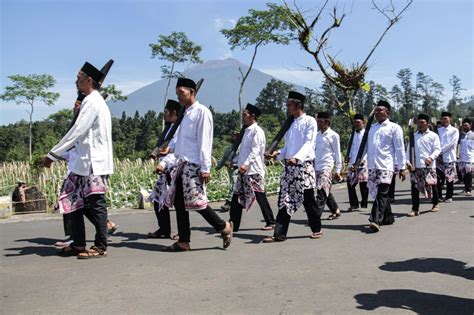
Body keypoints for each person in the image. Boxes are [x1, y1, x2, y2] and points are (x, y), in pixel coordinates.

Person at [43, 61, 113, 258]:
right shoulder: (92, 101)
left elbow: (77, 132)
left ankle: (100, 246)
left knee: (96, 203)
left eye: (78, 78)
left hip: (93, 163)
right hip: (82, 163)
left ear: (88, 80)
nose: (76, 82)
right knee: (71, 199)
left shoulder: (93, 102)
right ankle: (79, 243)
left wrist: (53, 154)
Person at [162, 78, 233, 252]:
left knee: (197, 202)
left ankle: (223, 226)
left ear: (192, 92)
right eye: (177, 93)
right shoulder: (184, 114)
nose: (179, 96)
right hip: (181, 164)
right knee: (179, 203)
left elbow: (204, 142)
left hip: (194, 165)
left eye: (182, 93)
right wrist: (169, 151)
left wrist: (205, 168)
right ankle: (184, 241)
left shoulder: (202, 112)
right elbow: (182, 142)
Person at [263, 91, 322, 242]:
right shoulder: (289, 123)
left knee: (308, 199)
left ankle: (316, 228)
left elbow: (309, 143)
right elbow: (288, 148)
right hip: (290, 168)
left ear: (298, 105)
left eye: (289, 104)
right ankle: (279, 234)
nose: (287, 107)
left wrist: (297, 157)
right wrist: (277, 154)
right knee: (284, 198)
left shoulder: (310, 121)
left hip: (304, 166)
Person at [228, 103, 275, 232]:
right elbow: (244, 151)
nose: (243, 117)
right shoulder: (246, 131)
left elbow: (255, 150)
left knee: (260, 196)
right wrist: (236, 161)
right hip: (244, 170)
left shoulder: (257, 131)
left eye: (245, 114)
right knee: (237, 196)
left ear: (252, 116)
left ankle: (270, 221)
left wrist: (246, 164)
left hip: (254, 170)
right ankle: (233, 224)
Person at [366, 100, 406, 232]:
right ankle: (388, 217)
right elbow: (367, 148)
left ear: (387, 112)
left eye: (380, 110)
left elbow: (400, 148)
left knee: (382, 192)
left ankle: (375, 220)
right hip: (373, 165)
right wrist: (359, 161)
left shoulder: (394, 128)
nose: (377, 112)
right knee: (379, 193)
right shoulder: (372, 129)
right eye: (376, 110)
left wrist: (402, 167)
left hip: (386, 165)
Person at [147, 99, 181, 239]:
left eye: (166, 112)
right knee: (158, 199)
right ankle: (164, 229)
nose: (164, 115)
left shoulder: (179, 129)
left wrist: (166, 157)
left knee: (180, 204)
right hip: (165, 169)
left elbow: (177, 151)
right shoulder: (169, 128)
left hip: (175, 168)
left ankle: (183, 232)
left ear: (174, 113)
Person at [406, 114, 441, 216]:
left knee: (432, 185)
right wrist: (408, 162)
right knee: (414, 188)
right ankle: (415, 209)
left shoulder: (433, 136)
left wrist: (431, 157)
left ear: (427, 123)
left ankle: (435, 203)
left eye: (423, 122)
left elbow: (437, 149)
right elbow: (408, 150)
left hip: (429, 165)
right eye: (419, 122)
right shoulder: (413, 136)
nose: (420, 124)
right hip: (415, 165)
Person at [314, 112, 343, 220]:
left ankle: (315, 217)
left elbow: (337, 153)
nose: (319, 123)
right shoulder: (316, 136)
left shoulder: (333, 135)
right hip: (317, 166)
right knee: (325, 190)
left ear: (327, 122)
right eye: (318, 121)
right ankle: (335, 209)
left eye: (321, 121)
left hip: (327, 166)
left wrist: (338, 170)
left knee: (321, 191)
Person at [346, 113, 369, 212]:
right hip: (353, 162)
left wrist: (365, 159)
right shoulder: (353, 134)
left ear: (363, 122)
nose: (356, 124)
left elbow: (369, 148)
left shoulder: (367, 134)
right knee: (350, 183)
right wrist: (348, 157)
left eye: (358, 122)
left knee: (363, 184)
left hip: (363, 162)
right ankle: (354, 204)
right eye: (354, 122)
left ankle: (364, 203)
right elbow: (352, 147)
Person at [436, 112, 459, 203]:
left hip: (449, 157)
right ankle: (439, 196)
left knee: (449, 179)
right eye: (442, 119)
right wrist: (437, 153)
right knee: (438, 179)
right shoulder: (438, 130)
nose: (444, 120)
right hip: (438, 159)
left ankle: (449, 196)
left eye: (446, 118)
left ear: (450, 119)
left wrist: (440, 151)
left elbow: (452, 144)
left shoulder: (454, 130)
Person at [216, 131, 239, 212]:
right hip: (231, 169)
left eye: (235, 136)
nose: (233, 137)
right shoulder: (230, 147)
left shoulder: (241, 147)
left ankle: (228, 203)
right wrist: (218, 167)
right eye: (232, 136)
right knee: (236, 186)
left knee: (234, 185)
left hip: (238, 168)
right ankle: (237, 203)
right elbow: (224, 158)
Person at [459, 118, 474, 196]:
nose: (465, 127)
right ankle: (466, 187)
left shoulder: (473, 135)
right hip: (462, 158)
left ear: (470, 125)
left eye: (466, 125)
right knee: (464, 174)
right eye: (464, 125)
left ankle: (468, 189)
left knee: (469, 174)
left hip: (470, 157)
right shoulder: (461, 135)